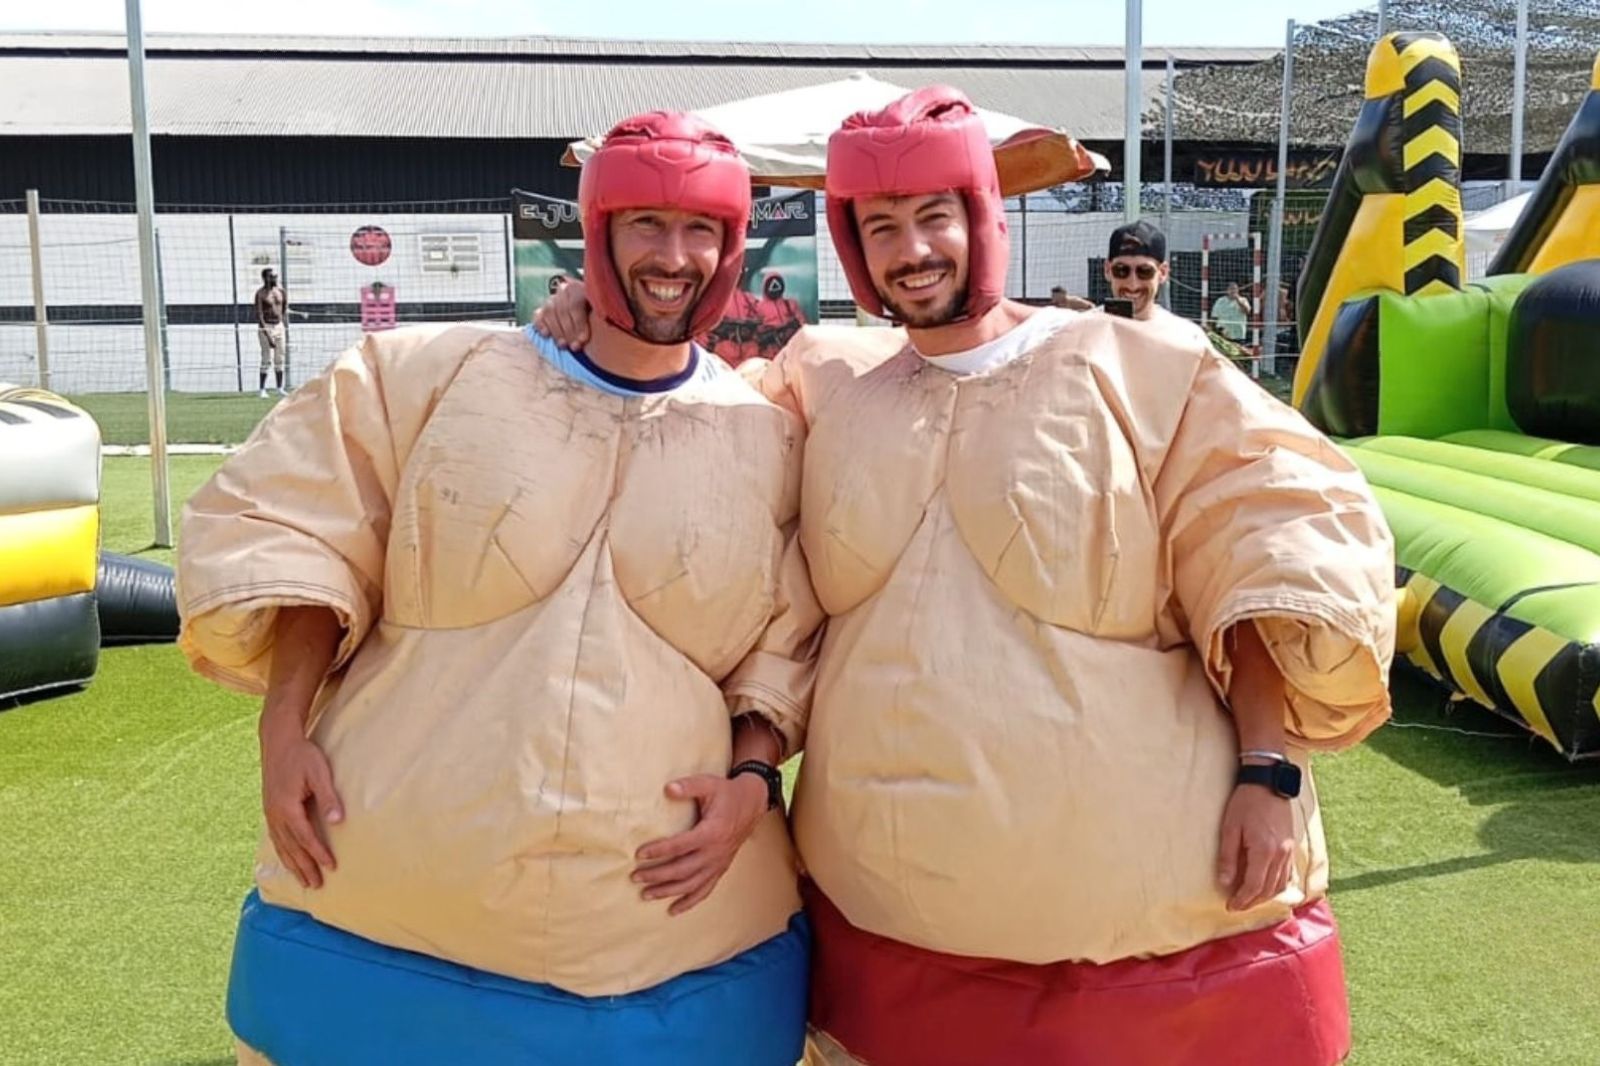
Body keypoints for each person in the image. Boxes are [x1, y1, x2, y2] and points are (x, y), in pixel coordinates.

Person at [536, 86, 1396, 1066]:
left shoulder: (1138, 365)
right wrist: (596, 311)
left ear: (981, 217)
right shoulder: (828, 389)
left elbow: (1265, 541)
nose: (912, 251)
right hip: (894, 934)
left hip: (1144, 931)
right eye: (882, 227)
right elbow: (698, 439)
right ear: (852, 246)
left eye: (932, 218)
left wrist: (1268, 771)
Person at [178, 111, 818, 1066]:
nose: (673, 256)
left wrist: (752, 782)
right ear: (597, 231)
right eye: (645, 223)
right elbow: (311, 529)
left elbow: (786, 638)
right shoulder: (434, 375)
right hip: (387, 889)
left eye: (701, 230)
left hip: (654, 930)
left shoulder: (762, 435)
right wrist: (282, 728)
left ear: (732, 249)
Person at [1103, 219, 1177, 323]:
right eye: (1121, 270)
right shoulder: (1084, 328)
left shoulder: (1181, 332)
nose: (1133, 285)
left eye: (1145, 272)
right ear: (1107, 270)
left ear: (1163, 273)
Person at [253, 268, 288, 398]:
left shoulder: (281, 292)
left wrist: (281, 324)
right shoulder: (260, 294)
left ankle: (279, 388)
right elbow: (259, 314)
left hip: (278, 326)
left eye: (275, 276)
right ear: (265, 278)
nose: (274, 279)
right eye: (271, 276)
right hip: (266, 326)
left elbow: (284, 308)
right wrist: (267, 334)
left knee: (280, 358)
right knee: (266, 358)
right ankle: (262, 389)